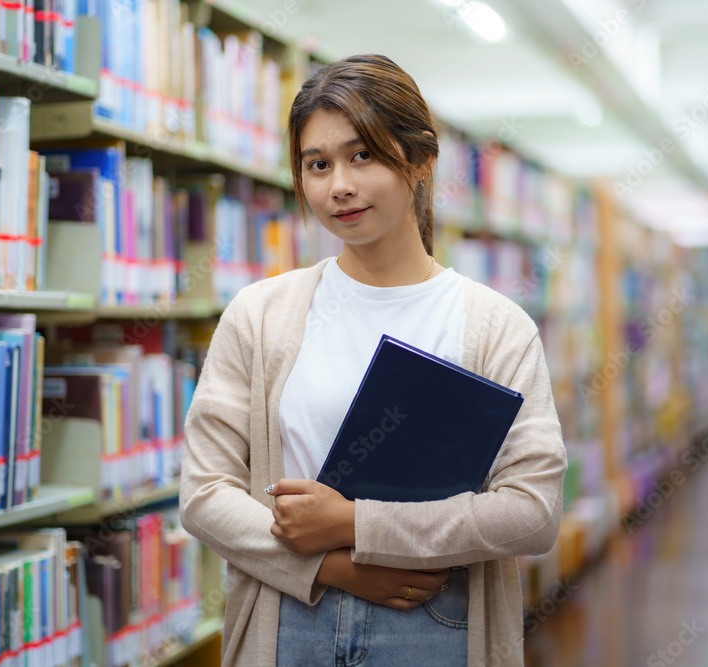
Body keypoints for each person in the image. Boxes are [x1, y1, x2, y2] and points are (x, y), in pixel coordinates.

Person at [179, 53, 567, 666]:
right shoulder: (260, 315)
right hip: (288, 621)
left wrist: (358, 525)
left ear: (421, 162)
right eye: (318, 164)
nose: (339, 185)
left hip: (439, 624)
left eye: (363, 155)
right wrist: (336, 568)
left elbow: (533, 513)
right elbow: (204, 493)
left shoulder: (495, 327)